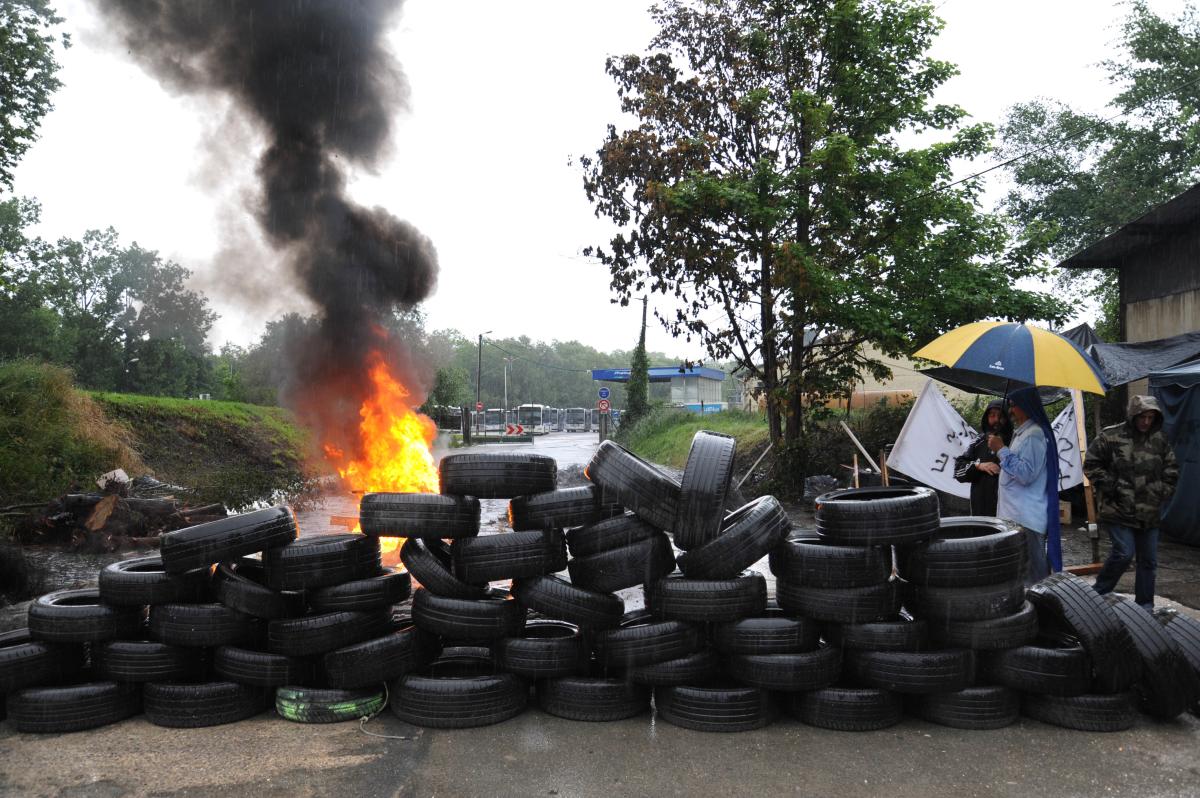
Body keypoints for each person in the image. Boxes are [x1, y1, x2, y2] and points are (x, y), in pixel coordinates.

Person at [1086, 395, 1178, 610]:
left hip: (1149, 512)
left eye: (1150, 417)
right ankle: (1097, 595)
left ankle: (1145, 606)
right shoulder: (1110, 436)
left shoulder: (1160, 440)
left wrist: (1161, 491)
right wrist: (1112, 487)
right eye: (1142, 417)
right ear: (1133, 415)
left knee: (1148, 561)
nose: (1146, 421)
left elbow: (1172, 469)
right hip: (1118, 509)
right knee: (1124, 553)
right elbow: (1091, 464)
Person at [988, 386, 1061, 582]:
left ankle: (1042, 610)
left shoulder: (1034, 435)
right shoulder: (1022, 434)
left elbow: (1026, 474)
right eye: (1010, 405)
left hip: (1026, 519)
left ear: (1026, 406)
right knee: (1021, 573)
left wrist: (1001, 450)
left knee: (1035, 577)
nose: (1010, 411)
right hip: (1016, 516)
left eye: (1014, 406)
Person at [954, 399, 1012, 516]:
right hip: (980, 511)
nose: (996, 420)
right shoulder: (978, 441)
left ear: (1007, 418)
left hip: (1009, 511)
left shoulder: (1016, 441)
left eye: (1000, 416)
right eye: (992, 415)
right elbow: (958, 471)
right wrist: (979, 466)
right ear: (986, 418)